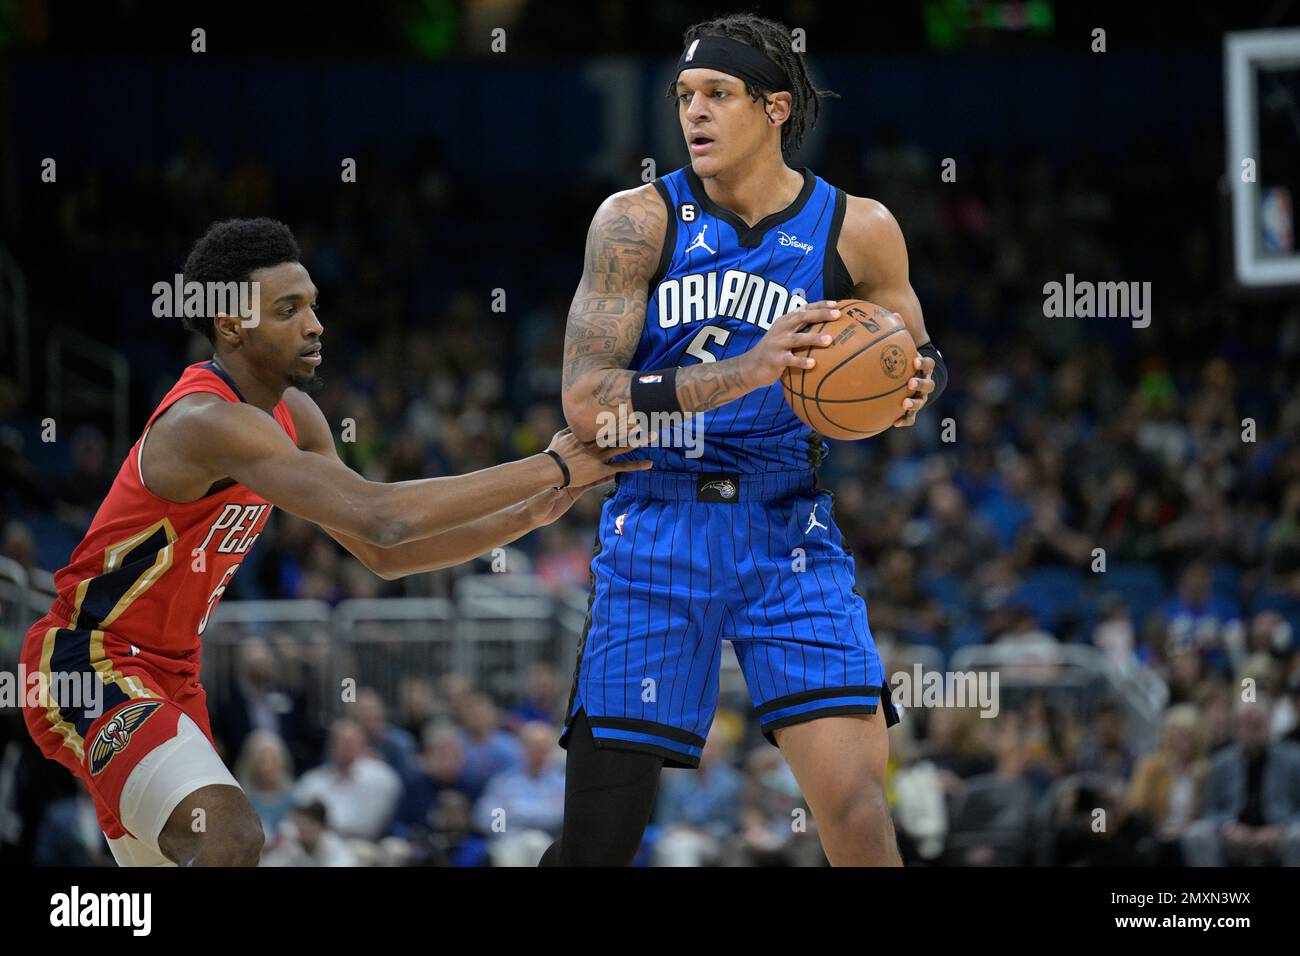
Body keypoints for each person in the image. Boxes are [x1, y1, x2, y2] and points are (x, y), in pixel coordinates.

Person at [20, 217, 648, 867]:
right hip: (87, 661)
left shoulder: (299, 414)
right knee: (231, 837)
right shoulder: (205, 421)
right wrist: (553, 464)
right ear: (232, 326)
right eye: (289, 310)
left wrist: (529, 515)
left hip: (171, 674)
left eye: (314, 305)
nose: (316, 325)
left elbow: (383, 554)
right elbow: (383, 516)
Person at [547, 12, 948, 866]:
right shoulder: (636, 221)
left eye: (717, 95)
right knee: (597, 843)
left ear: (773, 108)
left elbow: (913, 354)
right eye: (685, 96)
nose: (693, 113)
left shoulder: (858, 227)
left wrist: (916, 385)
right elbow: (586, 404)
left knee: (857, 813)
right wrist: (749, 369)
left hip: (788, 530)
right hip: (655, 525)